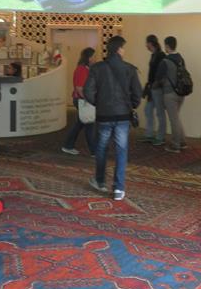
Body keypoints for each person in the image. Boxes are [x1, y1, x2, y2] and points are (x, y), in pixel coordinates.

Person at [84, 36, 142, 200]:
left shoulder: (97, 68)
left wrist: (99, 103)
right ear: (118, 49)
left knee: (102, 148)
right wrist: (132, 105)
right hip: (123, 116)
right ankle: (118, 189)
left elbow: (88, 91)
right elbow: (137, 93)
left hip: (104, 116)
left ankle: (100, 181)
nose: (124, 51)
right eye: (123, 48)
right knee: (121, 150)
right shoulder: (130, 69)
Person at [154, 36, 187, 153]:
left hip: (170, 93)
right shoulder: (181, 59)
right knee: (176, 118)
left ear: (167, 46)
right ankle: (182, 142)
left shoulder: (165, 61)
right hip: (181, 92)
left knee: (174, 120)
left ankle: (175, 145)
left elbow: (158, 78)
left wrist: (154, 86)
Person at [61, 47, 97, 157]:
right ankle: (94, 151)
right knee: (89, 124)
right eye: (94, 56)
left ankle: (68, 145)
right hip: (82, 100)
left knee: (80, 124)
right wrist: (90, 101)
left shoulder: (86, 69)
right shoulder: (81, 69)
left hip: (84, 100)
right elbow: (79, 88)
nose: (95, 58)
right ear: (89, 58)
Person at [139, 35, 166, 146]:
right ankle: (149, 134)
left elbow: (162, 73)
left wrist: (156, 84)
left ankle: (160, 137)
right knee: (148, 110)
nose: (146, 45)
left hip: (158, 88)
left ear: (151, 43)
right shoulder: (154, 55)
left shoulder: (161, 55)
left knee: (160, 113)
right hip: (151, 88)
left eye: (147, 43)